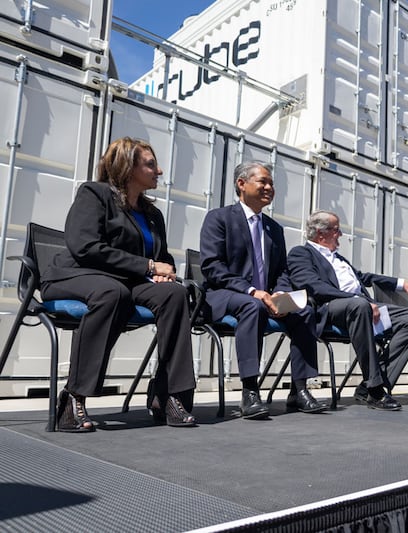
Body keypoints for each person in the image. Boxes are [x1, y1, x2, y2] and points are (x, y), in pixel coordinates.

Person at [41, 137, 196, 432]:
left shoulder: (152, 215)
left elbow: (161, 258)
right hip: (74, 276)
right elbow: (85, 246)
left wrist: (164, 273)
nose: (159, 171)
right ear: (128, 166)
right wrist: (148, 266)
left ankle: (168, 395)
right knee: (113, 292)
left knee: (175, 293)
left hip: (126, 280)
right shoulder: (94, 194)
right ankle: (73, 397)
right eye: (150, 164)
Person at [200, 162, 326, 418]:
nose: (269, 187)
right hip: (225, 294)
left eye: (271, 184)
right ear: (241, 184)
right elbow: (211, 267)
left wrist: (280, 292)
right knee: (253, 305)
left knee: (304, 309)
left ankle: (299, 390)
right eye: (263, 182)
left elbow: (281, 271)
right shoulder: (219, 218)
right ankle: (249, 391)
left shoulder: (273, 228)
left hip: (265, 298)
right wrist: (249, 290)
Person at [286, 210, 408, 411]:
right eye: (336, 230)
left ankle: (369, 385)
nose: (341, 235)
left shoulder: (339, 259)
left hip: (361, 306)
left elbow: (363, 277)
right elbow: (312, 286)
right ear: (321, 234)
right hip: (332, 308)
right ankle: (376, 390)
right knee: (360, 306)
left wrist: (399, 282)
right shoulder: (301, 253)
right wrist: (355, 298)